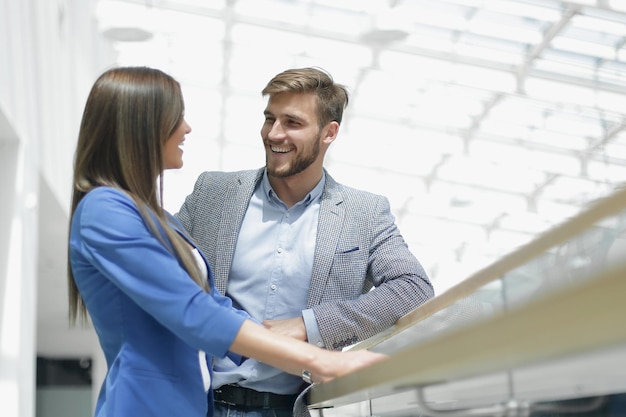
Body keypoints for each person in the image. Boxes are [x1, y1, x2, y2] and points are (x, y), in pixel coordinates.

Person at [67, 66, 386, 417]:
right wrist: (320, 361)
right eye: (177, 117)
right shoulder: (105, 211)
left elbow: (216, 306)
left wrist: (308, 338)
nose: (186, 128)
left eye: (292, 122)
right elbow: (194, 311)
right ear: (142, 127)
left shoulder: (156, 217)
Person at [175, 66, 435, 416]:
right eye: (270, 119)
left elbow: (413, 289)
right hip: (199, 403)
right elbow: (161, 272)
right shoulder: (213, 194)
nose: (274, 134)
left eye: (292, 123)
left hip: (294, 408)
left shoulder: (365, 213)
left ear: (329, 133)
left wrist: (308, 325)